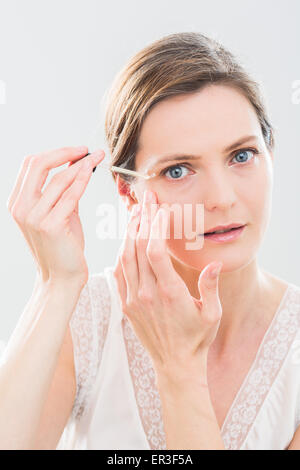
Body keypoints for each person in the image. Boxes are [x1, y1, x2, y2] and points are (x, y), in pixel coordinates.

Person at [1, 31, 300, 450]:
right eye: (179, 170)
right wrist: (56, 283)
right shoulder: (89, 318)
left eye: (241, 155)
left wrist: (179, 370)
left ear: (271, 153)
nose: (221, 198)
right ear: (128, 192)